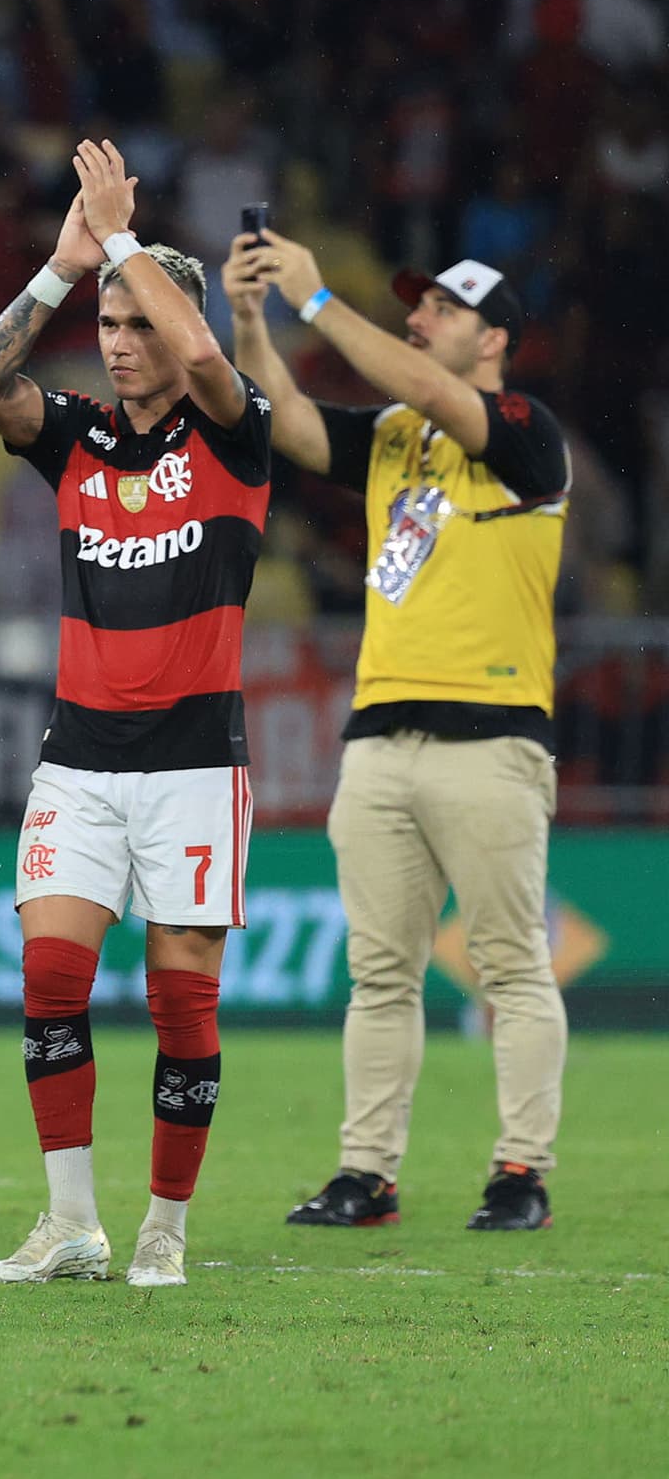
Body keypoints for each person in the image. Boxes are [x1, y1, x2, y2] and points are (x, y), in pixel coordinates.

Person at [0, 143, 270, 1292]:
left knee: (180, 996)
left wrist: (131, 244)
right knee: (51, 980)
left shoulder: (237, 430)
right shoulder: (81, 437)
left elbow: (207, 355)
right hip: (80, 756)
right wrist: (59, 266)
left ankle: (165, 1227)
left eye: (137, 320)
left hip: (192, 759)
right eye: (110, 322)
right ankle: (72, 1221)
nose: (120, 339)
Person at [229, 239, 569, 1235]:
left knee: (510, 967)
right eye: (416, 306)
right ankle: (365, 1172)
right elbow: (287, 420)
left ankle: (521, 1171)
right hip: (379, 738)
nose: (420, 319)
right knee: (380, 975)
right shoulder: (392, 433)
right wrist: (253, 318)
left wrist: (319, 296)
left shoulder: (524, 429)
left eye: (443, 310)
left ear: (494, 338)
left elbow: (427, 384)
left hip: (493, 736)